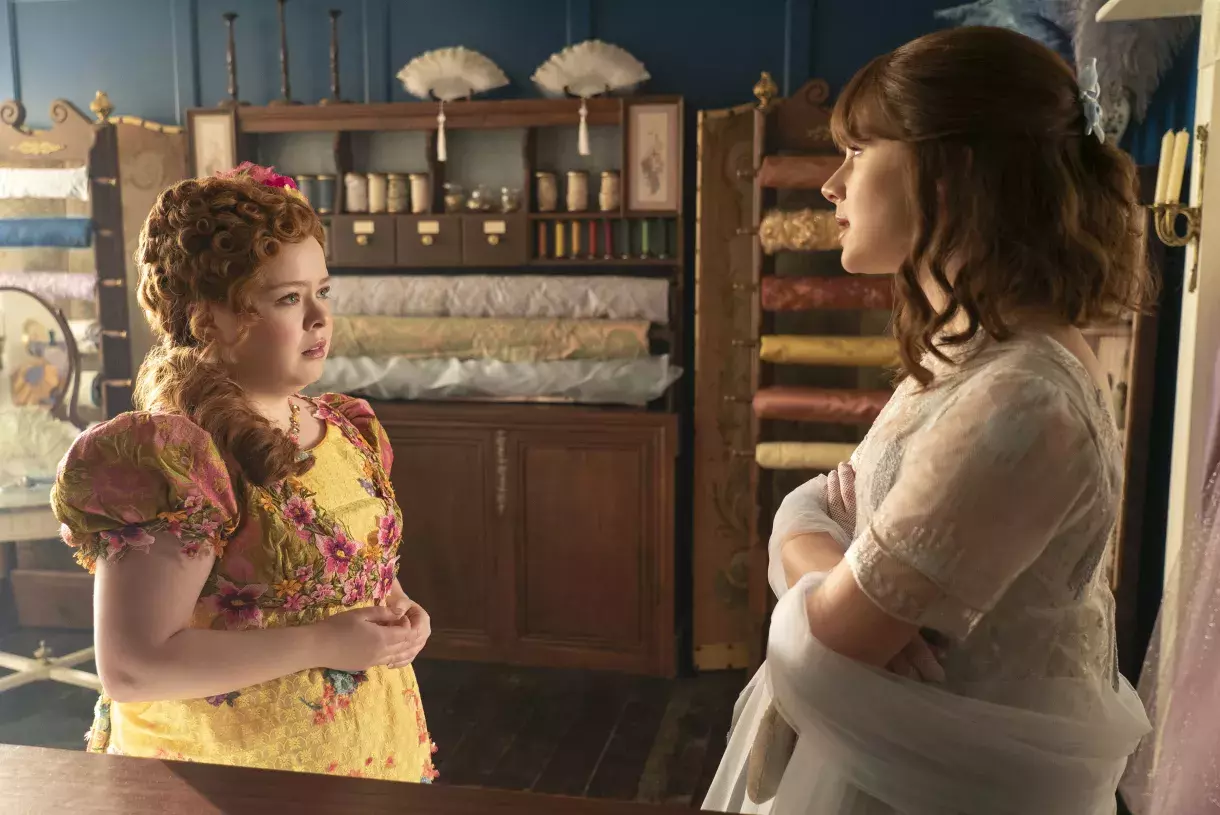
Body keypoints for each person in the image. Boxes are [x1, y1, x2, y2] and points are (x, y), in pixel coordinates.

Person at [703, 27, 1152, 814]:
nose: (831, 185)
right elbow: (818, 516)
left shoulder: (1020, 398)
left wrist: (814, 554)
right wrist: (823, 552)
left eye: (858, 151)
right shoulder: (968, 351)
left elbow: (827, 651)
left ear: (952, 172)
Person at [51, 164, 438, 782]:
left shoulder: (343, 428)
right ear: (209, 318)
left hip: (372, 757)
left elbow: (348, 576)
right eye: (289, 298)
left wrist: (397, 608)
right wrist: (324, 643)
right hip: (233, 777)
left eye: (323, 290)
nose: (319, 317)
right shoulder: (179, 459)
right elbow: (132, 668)